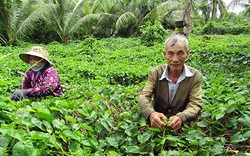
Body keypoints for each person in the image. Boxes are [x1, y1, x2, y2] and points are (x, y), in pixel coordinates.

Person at [138, 34, 203, 131]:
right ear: (165, 54)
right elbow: (143, 96)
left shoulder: (195, 76)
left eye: (180, 53)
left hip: (181, 128)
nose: (175, 59)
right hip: (157, 125)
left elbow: (195, 103)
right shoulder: (156, 73)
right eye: (170, 54)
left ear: (187, 54)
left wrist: (182, 117)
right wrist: (151, 113)